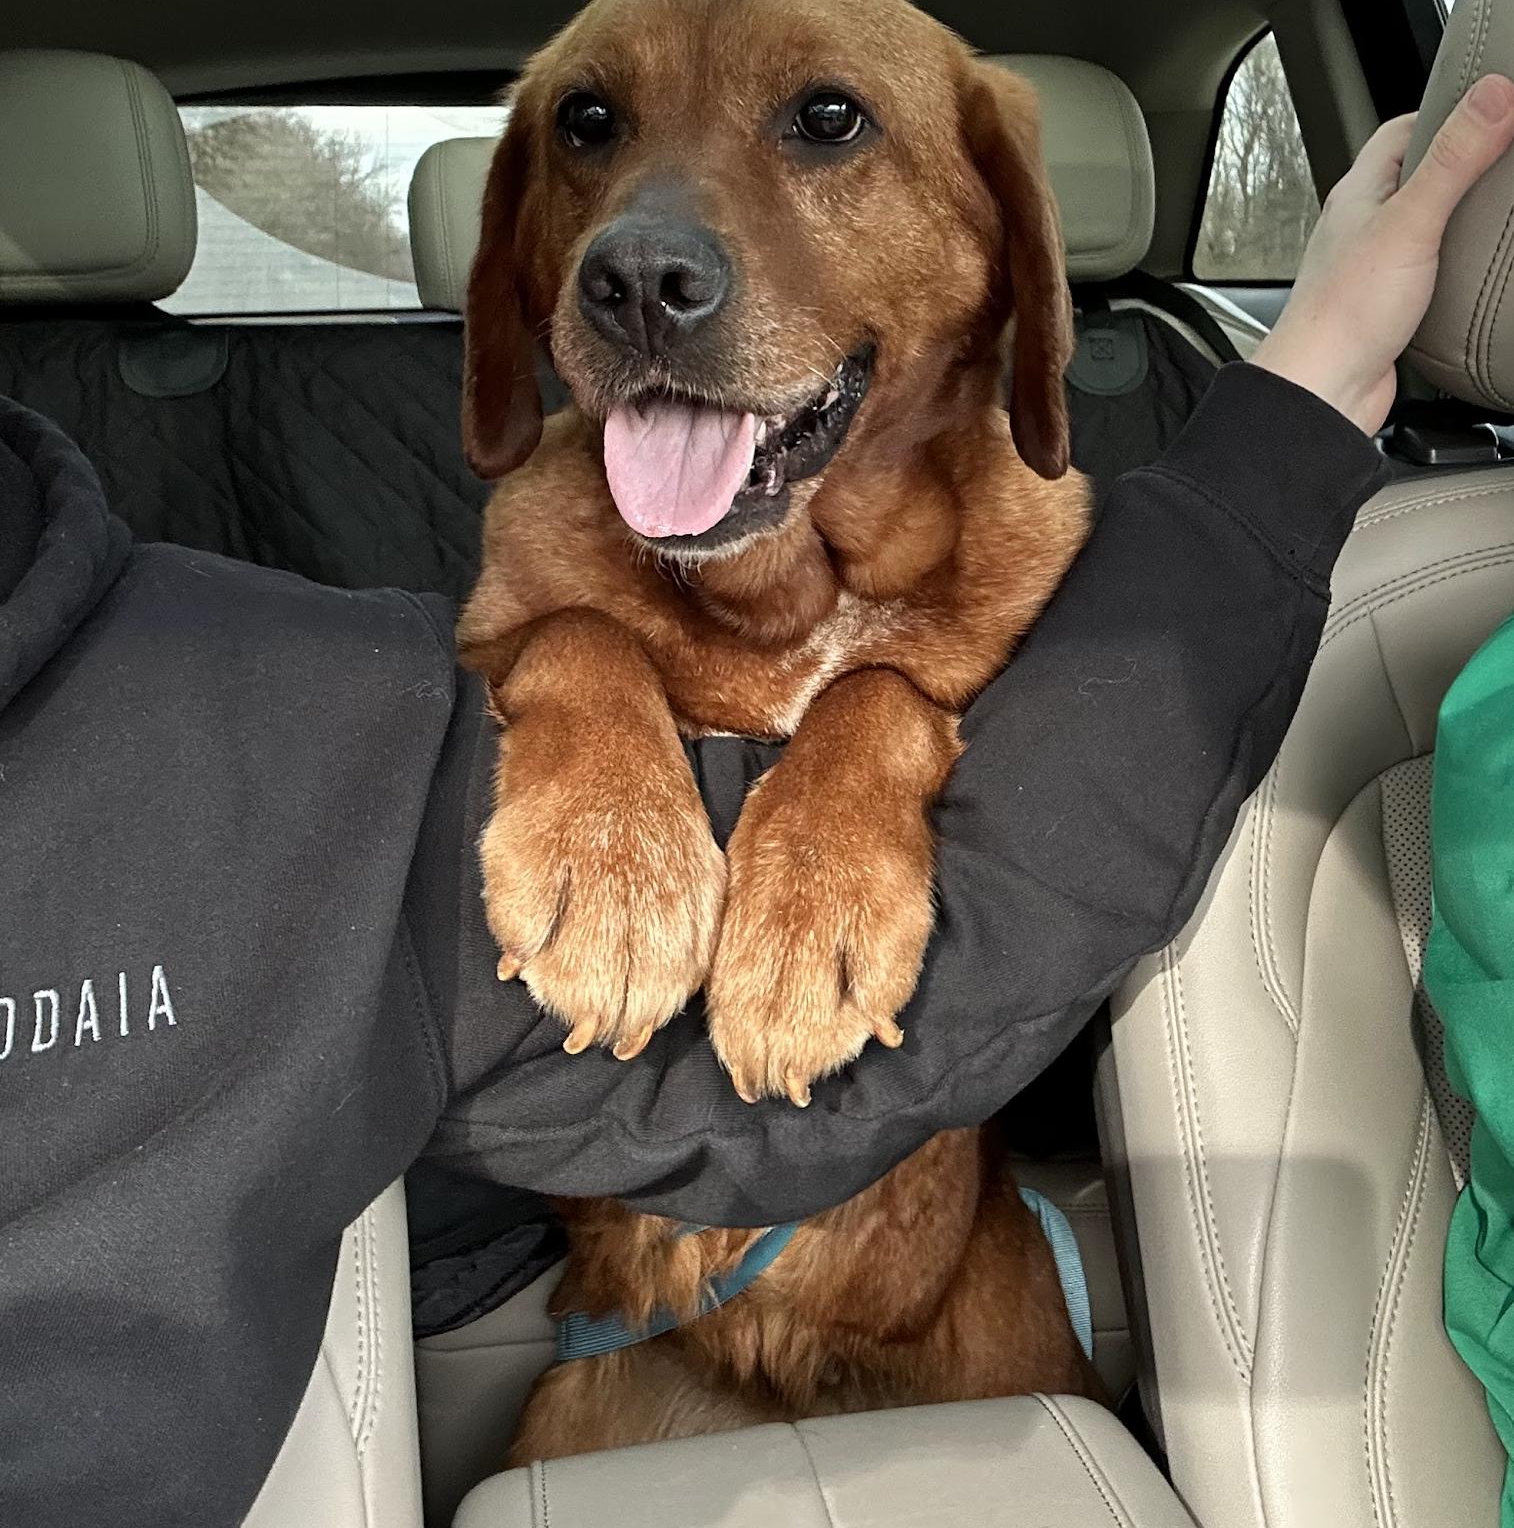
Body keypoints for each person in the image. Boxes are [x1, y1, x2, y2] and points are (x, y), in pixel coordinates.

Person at [3, 76, 1512, 1528]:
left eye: (826, 129)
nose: (661, 238)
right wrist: (583, 686)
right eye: (598, 136)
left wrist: (1306, 385)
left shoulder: (264, 727)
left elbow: (968, 941)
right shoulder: (339, 696)